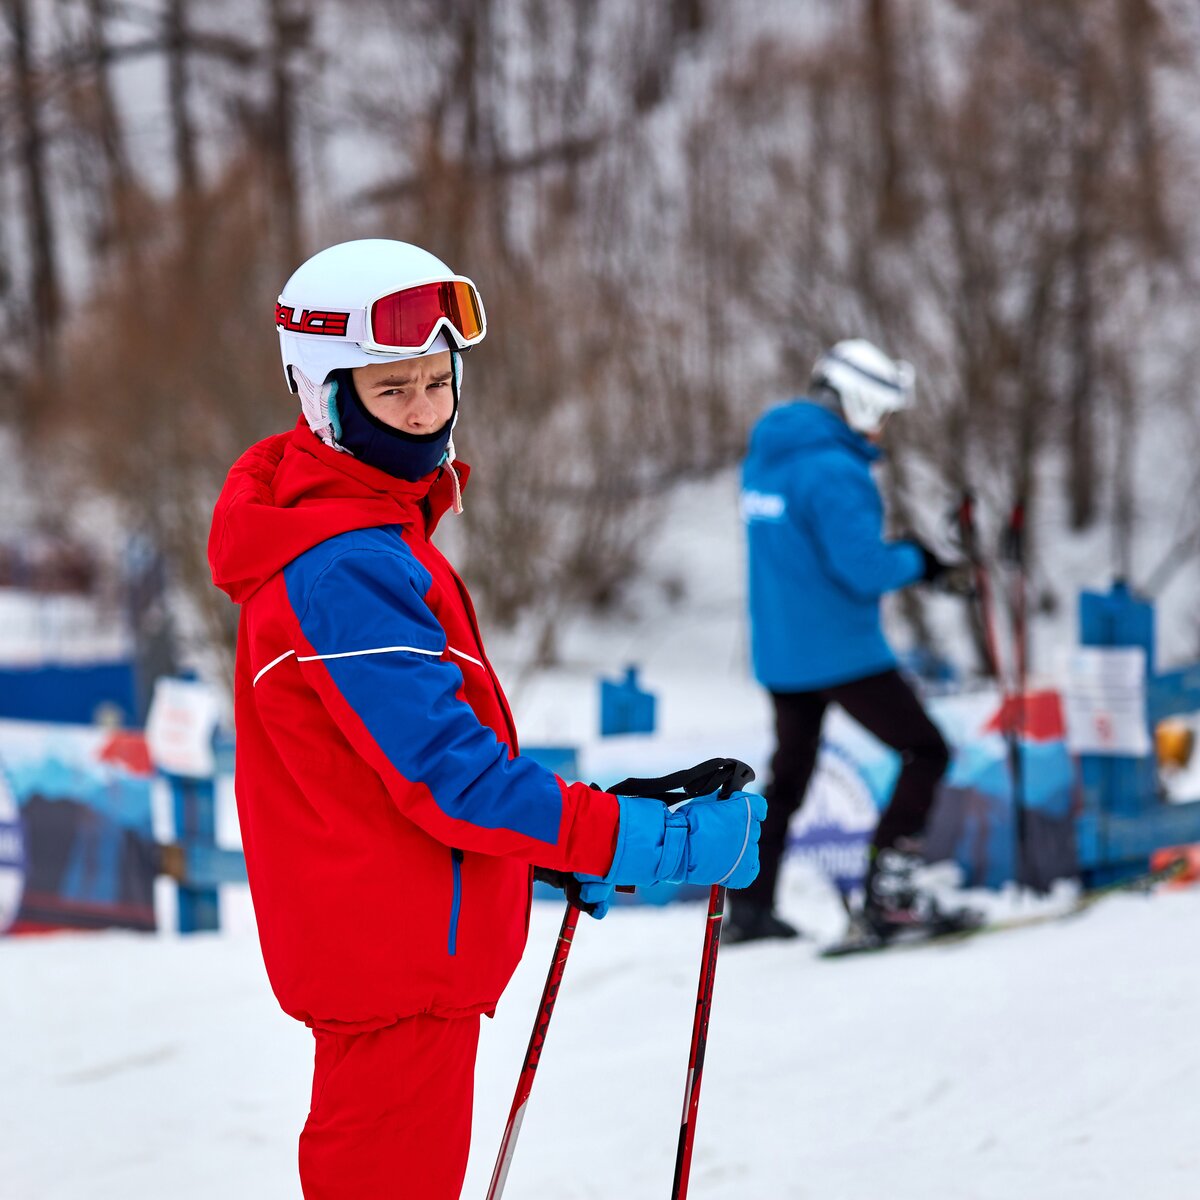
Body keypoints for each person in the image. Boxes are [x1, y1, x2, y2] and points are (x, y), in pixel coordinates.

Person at [207, 238, 765, 1199]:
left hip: (405, 973)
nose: (424, 411)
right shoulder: (346, 569)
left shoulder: (368, 538)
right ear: (323, 399)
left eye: (437, 379)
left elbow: (389, 768)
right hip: (395, 987)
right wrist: (643, 843)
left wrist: (541, 850)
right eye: (390, 391)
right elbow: (450, 776)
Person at [731, 338, 959, 944]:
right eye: (882, 413)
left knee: (790, 779)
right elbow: (863, 570)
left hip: (782, 654)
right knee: (927, 751)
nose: (883, 429)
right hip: (843, 653)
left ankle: (750, 910)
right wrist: (920, 561)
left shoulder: (766, 457)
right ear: (857, 404)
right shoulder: (836, 469)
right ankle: (890, 901)